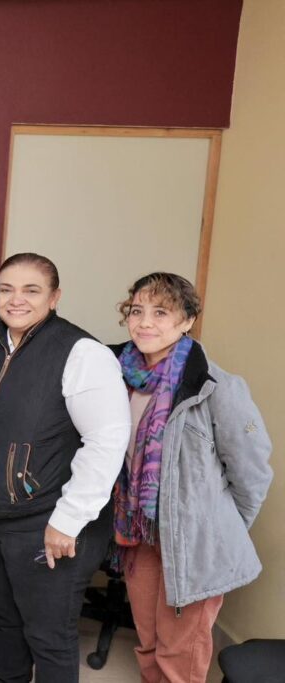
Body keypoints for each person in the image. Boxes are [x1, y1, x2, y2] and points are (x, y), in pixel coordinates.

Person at [0, 252, 131, 682]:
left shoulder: (81, 352)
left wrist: (68, 521)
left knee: (49, 636)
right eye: (8, 289)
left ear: (54, 297)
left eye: (32, 290)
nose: (16, 299)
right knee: (9, 621)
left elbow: (106, 442)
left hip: (47, 524)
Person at [111, 272, 272, 683]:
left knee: (180, 653)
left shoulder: (217, 387)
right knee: (147, 641)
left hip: (196, 542)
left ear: (186, 321)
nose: (145, 322)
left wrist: (216, 532)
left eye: (161, 312)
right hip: (140, 534)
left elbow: (252, 473)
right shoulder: (118, 378)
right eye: (137, 311)